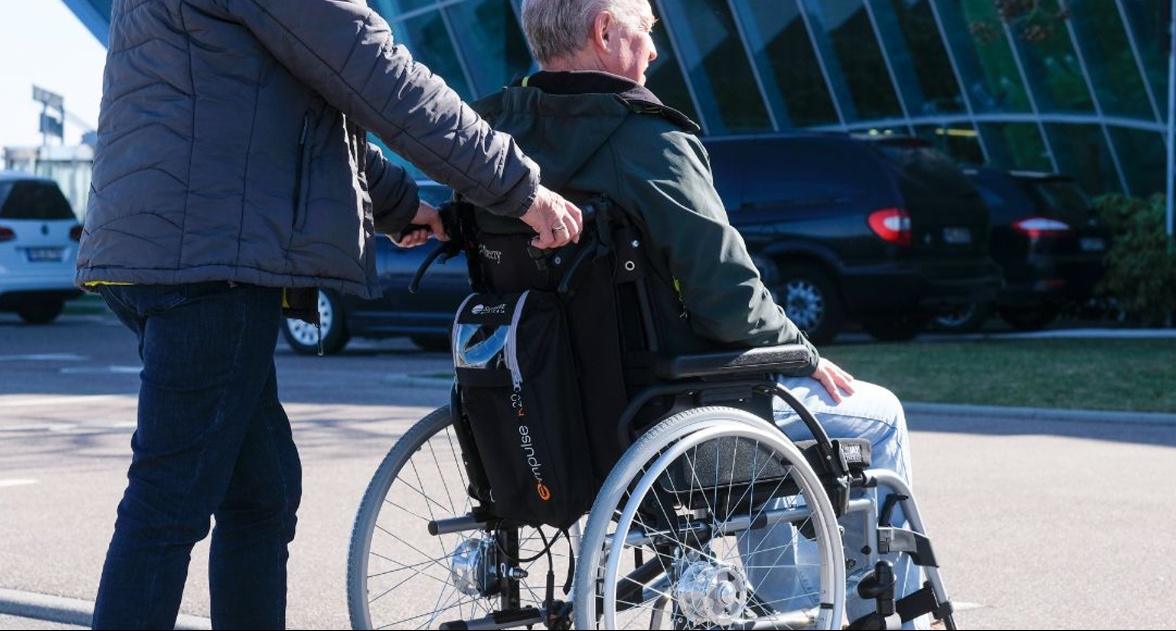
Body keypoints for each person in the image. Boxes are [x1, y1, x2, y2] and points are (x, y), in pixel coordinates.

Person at [74, 1, 587, 629]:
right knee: (170, 500)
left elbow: (288, 112)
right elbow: (379, 76)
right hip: (210, 261)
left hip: (155, 247)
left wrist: (400, 206)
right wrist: (519, 189)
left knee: (259, 493)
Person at [469, 0, 924, 627]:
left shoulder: (489, 140)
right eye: (646, 31)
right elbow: (729, 294)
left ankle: (794, 597)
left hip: (551, 415)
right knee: (873, 415)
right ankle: (871, 611)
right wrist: (802, 353)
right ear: (605, 31)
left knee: (754, 409)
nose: (655, 51)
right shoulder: (645, 139)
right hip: (660, 415)